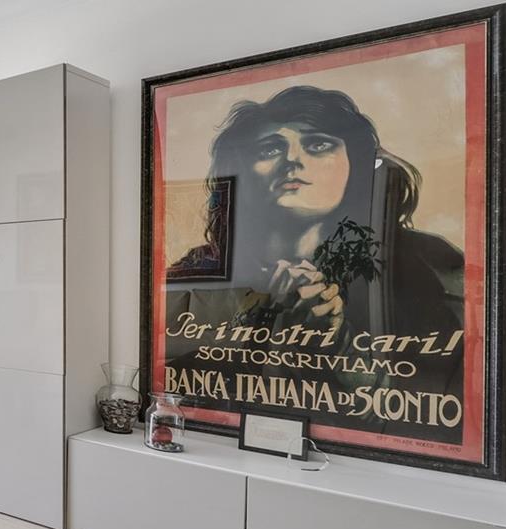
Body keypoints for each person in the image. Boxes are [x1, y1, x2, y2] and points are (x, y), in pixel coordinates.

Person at [164, 85, 464, 437]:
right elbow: (169, 373)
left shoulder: (423, 263)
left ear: (354, 162)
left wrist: (336, 338)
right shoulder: (203, 267)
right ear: (242, 170)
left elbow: (433, 407)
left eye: (318, 144)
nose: (293, 159)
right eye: (271, 148)